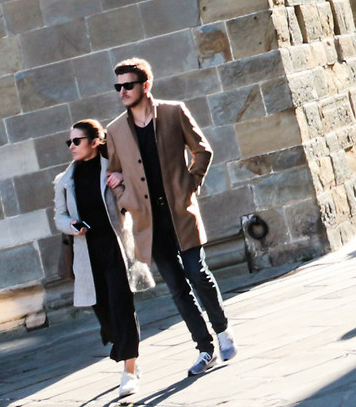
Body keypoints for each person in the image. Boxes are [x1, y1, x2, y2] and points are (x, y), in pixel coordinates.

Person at [105, 59, 236, 377]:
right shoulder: (115, 130)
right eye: (118, 86)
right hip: (149, 223)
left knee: (198, 274)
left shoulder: (174, 112)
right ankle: (205, 349)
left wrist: (191, 184)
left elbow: (202, 150)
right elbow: (113, 173)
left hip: (181, 213)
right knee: (178, 289)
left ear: (145, 86)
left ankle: (222, 331)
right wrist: (125, 197)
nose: (122, 91)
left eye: (128, 85)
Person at [54, 118, 144, 397]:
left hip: (116, 250)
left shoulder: (111, 171)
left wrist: (122, 182)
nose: (71, 146)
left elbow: (134, 200)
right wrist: (72, 226)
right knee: (105, 315)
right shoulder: (64, 181)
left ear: (95, 142)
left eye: (76, 141)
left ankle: (130, 370)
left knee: (122, 307)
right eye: (68, 142)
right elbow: (59, 216)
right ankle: (122, 345)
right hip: (87, 254)